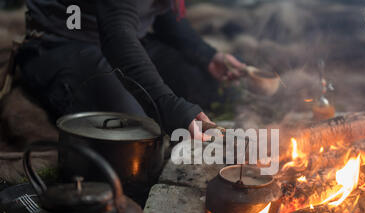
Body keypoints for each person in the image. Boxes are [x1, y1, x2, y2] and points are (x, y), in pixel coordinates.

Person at [17, 0, 246, 140]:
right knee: (136, 130)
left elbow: (160, 9)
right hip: (63, 40)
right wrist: (166, 105)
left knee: (212, 86)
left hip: (130, 36)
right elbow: (116, 35)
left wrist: (206, 55)